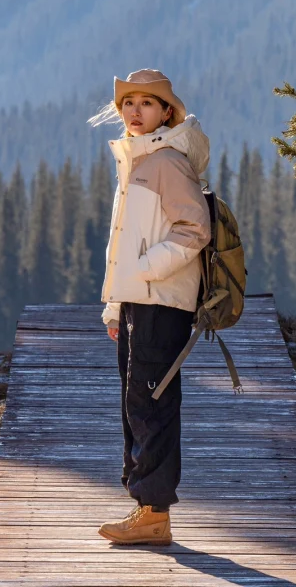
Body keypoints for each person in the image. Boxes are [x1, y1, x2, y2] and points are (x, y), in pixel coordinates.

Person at [94, 68, 211, 547]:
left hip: (161, 301)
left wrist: (144, 270)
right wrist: (116, 305)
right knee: (138, 403)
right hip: (139, 302)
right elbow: (124, 241)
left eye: (146, 103)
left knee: (151, 405)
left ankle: (154, 514)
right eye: (128, 103)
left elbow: (194, 229)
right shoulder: (139, 160)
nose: (134, 111)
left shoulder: (167, 161)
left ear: (167, 112)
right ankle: (145, 507)